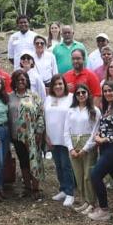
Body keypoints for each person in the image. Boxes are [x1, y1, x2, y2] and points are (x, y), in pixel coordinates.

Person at [86, 82, 113, 221]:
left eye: (110, 90)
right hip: (105, 148)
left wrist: (104, 139)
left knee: (95, 175)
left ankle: (104, 209)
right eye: (105, 91)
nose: (107, 93)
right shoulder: (108, 108)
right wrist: (98, 136)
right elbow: (105, 127)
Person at [8, 70, 45, 198]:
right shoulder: (10, 97)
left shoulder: (34, 96)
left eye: (23, 79)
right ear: (14, 82)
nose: (21, 81)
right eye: (18, 79)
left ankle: (36, 188)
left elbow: (40, 113)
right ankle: (27, 187)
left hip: (32, 135)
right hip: (16, 136)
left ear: (27, 81)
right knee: (23, 161)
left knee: (34, 161)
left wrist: (39, 130)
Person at [65, 84, 101, 215]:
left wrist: (86, 148)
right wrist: (71, 148)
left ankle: (91, 201)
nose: (81, 95)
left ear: (88, 94)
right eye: (78, 93)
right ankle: (84, 200)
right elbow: (66, 131)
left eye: (83, 92)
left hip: (88, 144)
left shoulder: (94, 110)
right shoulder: (71, 111)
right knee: (78, 175)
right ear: (75, 95)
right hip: (74, 143)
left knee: (88, 175)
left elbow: (95, 131)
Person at [43, 75, 75, 207]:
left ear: (65, 85)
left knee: (66, 165)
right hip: (52, 138)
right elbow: (44, 117)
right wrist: (46, 136)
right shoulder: (48, 99)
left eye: (60, 84)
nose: (58, 86)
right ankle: (62, 188)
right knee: (58, 165)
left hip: (65, 137)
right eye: (55, 84)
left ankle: (70, 193)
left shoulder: (71, 97)